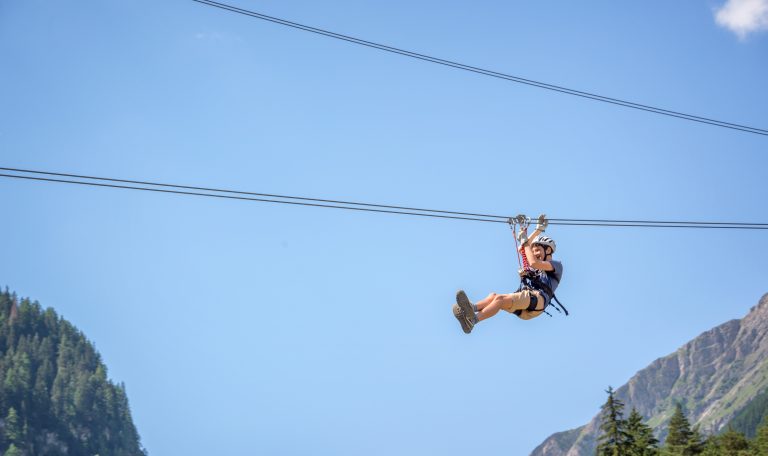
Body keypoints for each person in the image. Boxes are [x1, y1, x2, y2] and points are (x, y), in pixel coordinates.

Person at [452, 215, 563, 334]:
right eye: (534, 250)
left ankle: (472, 321)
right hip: (527, 304)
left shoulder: (556, 265)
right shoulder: (537, 270)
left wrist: (525, 240)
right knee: (494, 296)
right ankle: (471, 309)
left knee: (499, 299)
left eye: (538, 250)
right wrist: (538, 231)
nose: (535, 253)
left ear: (548, 250)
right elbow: (523, 249)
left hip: (536, 300)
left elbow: (533, 262)